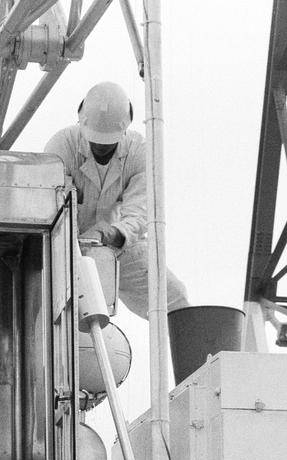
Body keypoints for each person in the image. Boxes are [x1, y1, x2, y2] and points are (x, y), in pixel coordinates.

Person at [44, 80, 189, 321]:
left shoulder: (138, 150)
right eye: (95, 141)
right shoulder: (61, 147)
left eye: (108, 143)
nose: (101, 147)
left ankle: (198, 354)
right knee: (69, 319)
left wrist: (113, 233)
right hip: (67, 251)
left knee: (175, 299)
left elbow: (140, 212)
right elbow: (52, 208)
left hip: (119, 245)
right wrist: (79, 242)